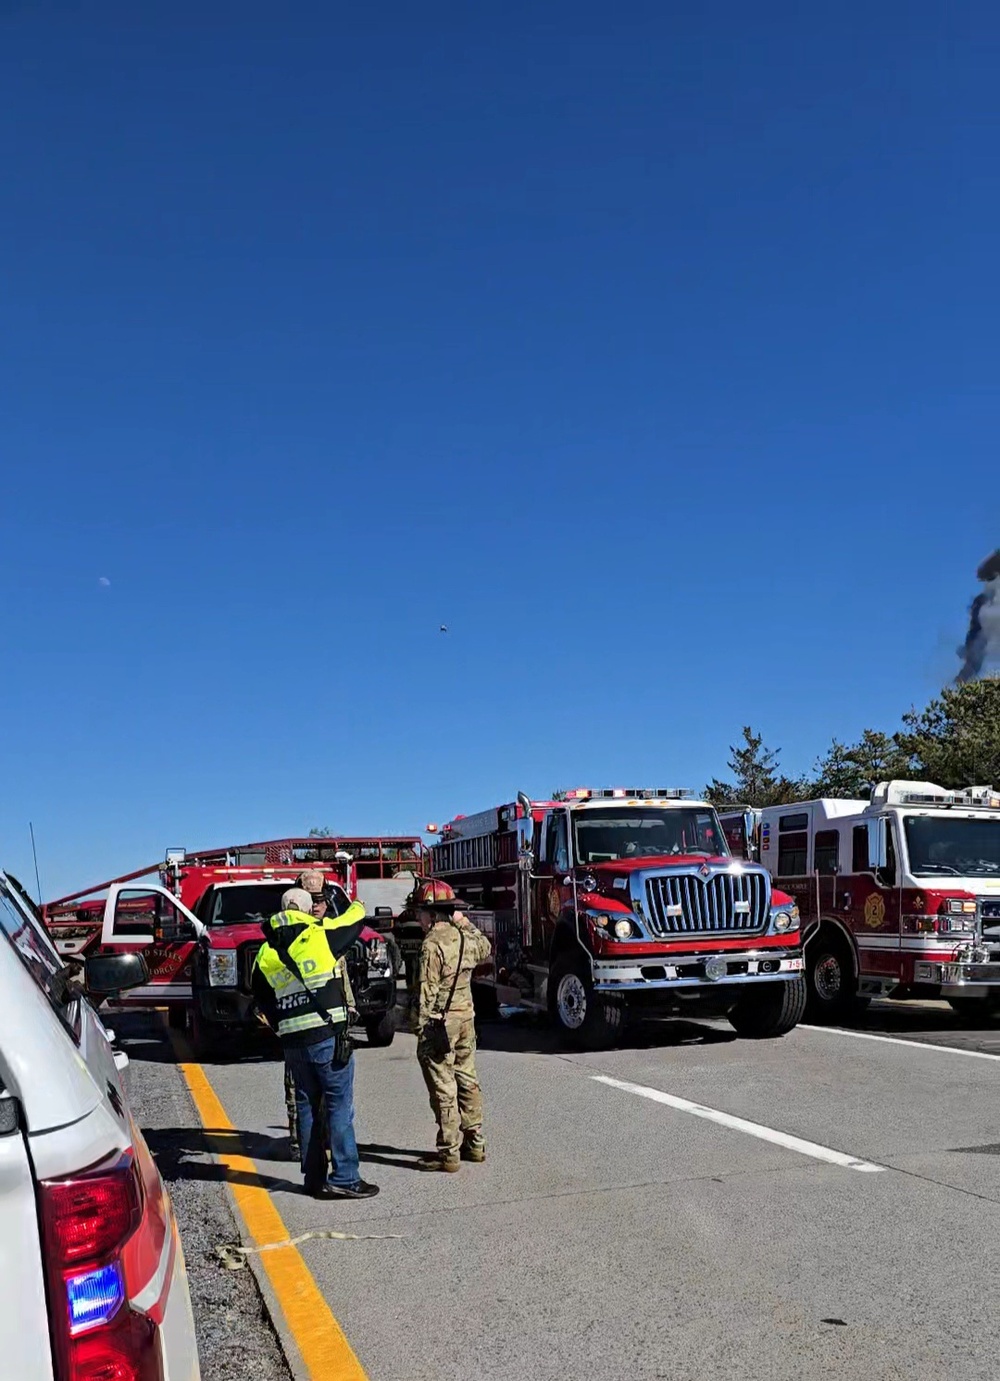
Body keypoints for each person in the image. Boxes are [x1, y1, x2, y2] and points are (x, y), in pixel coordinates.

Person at [252, 886, 378, 1200]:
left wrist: (283, 1026)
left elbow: (260, 996)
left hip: (293, 1042)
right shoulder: (317, 934)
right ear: (308, 911)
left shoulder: (266, 951)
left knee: (307, 1107)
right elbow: (355, 921)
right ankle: (346, 1177)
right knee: (338, 1106)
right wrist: (353, 900)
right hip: (326, 1036)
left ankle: (313, 1178)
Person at [412, 879, 492, 1172]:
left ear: (432, 914)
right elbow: (486, 947)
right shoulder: (465, 937)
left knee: (443, 1085)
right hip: (466, 1019)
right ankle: (476, 1144)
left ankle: (449, 1153)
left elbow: (426, 992)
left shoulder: (432, 944)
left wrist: (420, 1028)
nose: (418, 917)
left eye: (421, 912)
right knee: (467, 1079)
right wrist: (464, 921)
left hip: (439, 1023)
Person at [283, 869, 362, 1160]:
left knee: (332, 1095)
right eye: (310, 900)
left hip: (331, 1025)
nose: (316, 906)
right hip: (302, 1028)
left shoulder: (330, 933)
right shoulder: (288, 936)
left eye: (320, 900)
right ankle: (302, 1146)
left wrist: (350, 1006)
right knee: (300, 1093)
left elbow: (339, 974)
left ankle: (321, 1147)